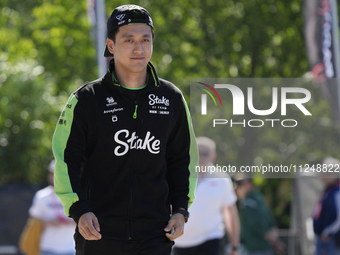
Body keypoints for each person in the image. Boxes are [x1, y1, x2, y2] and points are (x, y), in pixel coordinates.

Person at [52, 4, 198, 255]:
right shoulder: (87, 98)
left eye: (145, 40)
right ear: (111, 46)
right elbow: (66, 159)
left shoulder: (171, 97)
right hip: (98, 232)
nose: (139, 48)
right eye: (129, 40)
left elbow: (182, 160)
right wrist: (79, 209)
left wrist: (181, 210)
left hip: (155, 234)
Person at [173, 137, 240, 255]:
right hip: (180, 241)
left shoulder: (221, 179)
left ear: (213, 156)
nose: (201, 157)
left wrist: (234, 246)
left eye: (205, 153)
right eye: (198, 153)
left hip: (210, 238)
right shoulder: (179, 175)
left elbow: (230, 213)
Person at [28, 160, 76, 255]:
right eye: (53, 174)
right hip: (48, 248)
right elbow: (34, 222)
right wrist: (49, 222)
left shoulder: (75, 195)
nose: (55, 177)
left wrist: (73, 221)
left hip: (71, 248)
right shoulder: (41, 196)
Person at [234, 177, 285, 255]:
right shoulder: (258, 198)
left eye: (239, 185)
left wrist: (271, 236)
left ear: (247, 185)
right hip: (261, 247)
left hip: (256, 248)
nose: (236, 190)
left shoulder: (249, 203)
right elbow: (270, 220)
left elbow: (257, 224)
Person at [313, 157, 340, 255]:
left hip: (332, 240)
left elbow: (338, 218)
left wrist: (327, 232)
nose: (323, 176)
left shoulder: (337, 192)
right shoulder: (328, 191)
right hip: (323, 239)